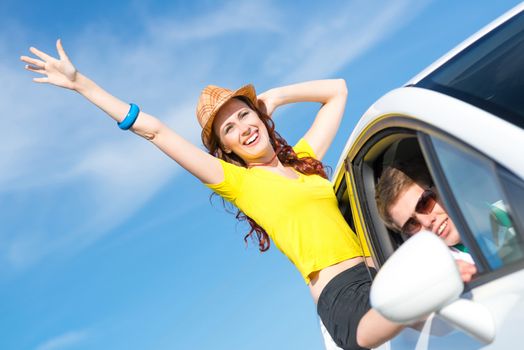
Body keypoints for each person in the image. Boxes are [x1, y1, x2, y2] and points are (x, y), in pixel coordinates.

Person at [21, 40, 445, 350]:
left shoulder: (304, 159)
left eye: (245, 114)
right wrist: (83, 86)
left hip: (383, 269)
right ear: (227, 150)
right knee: (384, 324)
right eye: (229, 128)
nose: (243, 126)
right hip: (344, 298)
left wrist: (275, 96)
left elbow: (337, 91)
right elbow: (154, 130)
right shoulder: (237, 182)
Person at [375, 162, 477, 281]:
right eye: (411, 224)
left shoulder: (499, 193)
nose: (427, 222)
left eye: (424, 203)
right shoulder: (441, 272)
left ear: (441, 185)